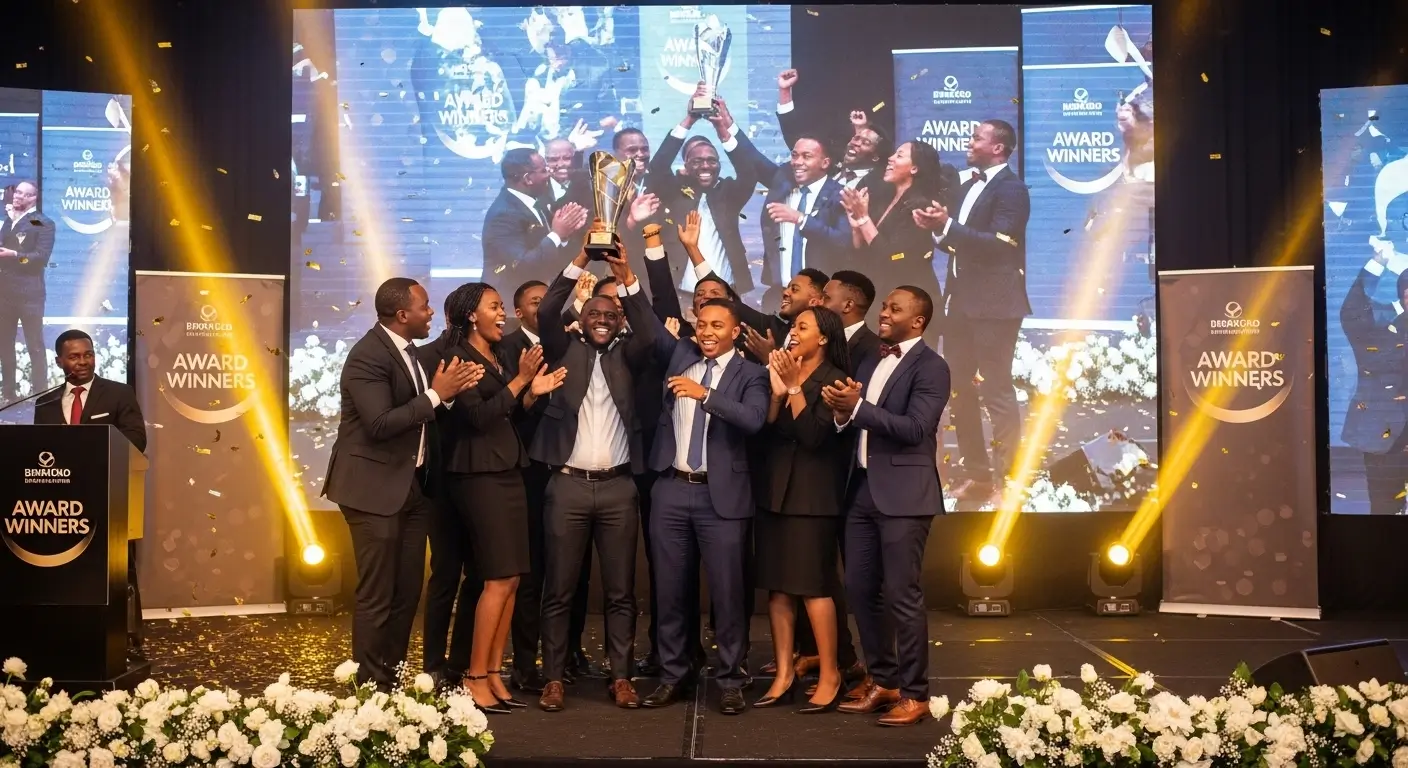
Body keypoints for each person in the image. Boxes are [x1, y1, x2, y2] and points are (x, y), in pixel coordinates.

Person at [322, 278, 483, 691]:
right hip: (371, 490)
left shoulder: (407, 352)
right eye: (425, 306)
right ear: (402, 315)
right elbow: (379, 423)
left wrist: (445, 395)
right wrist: (435, 395)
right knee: (378, 594)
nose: (432, 313)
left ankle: (389, 683)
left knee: (407, 593)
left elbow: (416, 412)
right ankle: (368, 690)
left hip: (411, 488)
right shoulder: (368, 356)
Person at [533, 225, 658, 711]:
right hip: (565, 488)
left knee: (622, 592)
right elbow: (547, 308)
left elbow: (649, 328)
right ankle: (555, 679)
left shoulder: (633, 352)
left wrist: (626, 276)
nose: (603, 319)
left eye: (611, 314)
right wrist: (582, 257)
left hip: (619, 490)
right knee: (559, 590)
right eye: (594, 313)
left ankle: (621, 677)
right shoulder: (565, 348)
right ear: (581, 320)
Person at [434, 282, 567, 713]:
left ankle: (493, 671)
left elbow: (506, 413)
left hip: (508, 471)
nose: (502, 314)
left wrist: (530, 393)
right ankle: (473, 676)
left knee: (511, 578)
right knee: (495, 579)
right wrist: (521, 381)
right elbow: (476, 417)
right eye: (494, 306)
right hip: (478, 475)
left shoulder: (495, 356)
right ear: (472, 314)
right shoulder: (459, 358)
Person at [823, 286, 950, 727]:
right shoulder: (872, 358)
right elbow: (856, 422)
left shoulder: (933, 367)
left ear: (917, 321)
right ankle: (885, 680)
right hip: (861, 490)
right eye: (885, 305)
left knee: (902, 594)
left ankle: (916, 694)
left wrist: (856, 408)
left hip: (905, 494)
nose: (884, 312)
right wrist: (842, 413)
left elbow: (916, 428)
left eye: (895, 308)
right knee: (859, 588)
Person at [641, 298, 770, 715]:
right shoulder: (680, 362)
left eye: (718, 325)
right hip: (673, 490)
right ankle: (674, 675)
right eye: (701, 324)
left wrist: (705, 394)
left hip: (724, 496)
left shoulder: (752, 373)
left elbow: (754, 420)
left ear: (736, 332)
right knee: (671, 591)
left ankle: (731, 678)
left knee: (729, 593)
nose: (707, 331)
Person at [914, 119, 1031, 507]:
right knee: (960, 389)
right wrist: (936, 229)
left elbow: (998, 246)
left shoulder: (1012, 190)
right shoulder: (965, 185)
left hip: (995, 307)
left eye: (978, 136)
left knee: (995, 388)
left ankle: (1010, 478)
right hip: (960, 305)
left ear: (998, 148)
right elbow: (957, 244)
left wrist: (946, 225)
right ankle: (978, 475)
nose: (970, 140)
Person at [754, 307, 851, 713]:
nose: (794, 332)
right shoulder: (784, 369)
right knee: (778, 590)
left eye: (802, 327)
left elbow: (813, 437)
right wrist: (777, 394)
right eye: (794, 326)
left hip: (813, 498)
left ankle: (830, 673)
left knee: (813, 588)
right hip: (775, 492)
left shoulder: (836, 381)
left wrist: (794, 388)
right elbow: (768, 430)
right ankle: (783, 673)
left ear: (824, 338)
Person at [34, 329, 147, 660]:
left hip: (108, 500)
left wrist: (91, 451)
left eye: (88, 354)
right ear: (59, 361)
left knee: (119, 570)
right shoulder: (47, 401)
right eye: (74, 356)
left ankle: (129, 638)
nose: (82, 361)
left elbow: (137, 439)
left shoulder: (117, 394)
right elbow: (40, 449)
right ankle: (66, 633)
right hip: (61, 505)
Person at [839, 141, 958, 344]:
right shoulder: (885, 197)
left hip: (910, 307)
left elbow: (893, 258)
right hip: (881, 300)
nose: (890, 158)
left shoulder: (922, 206)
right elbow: (863, 253)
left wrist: (864, 219)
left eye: (900, 155)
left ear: (914, 168)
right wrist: (856, 226)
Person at [646, 87, 758, 296]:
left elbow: (749, 173)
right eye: (697, 161)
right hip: (685, 295)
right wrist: (689, 119)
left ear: (719, 165)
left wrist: (722, 130)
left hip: (727, 293)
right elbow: (658, 167)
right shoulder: (675, 193)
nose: (705, 166)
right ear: (686, 166)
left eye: (711, 160)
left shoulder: (729, 193)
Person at [729, 125, 851, 295]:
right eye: (794, 155)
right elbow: (754, 159)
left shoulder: (840, 195)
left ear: (825, 163)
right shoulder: (781, 185)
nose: (797, 162)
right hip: (780, 293)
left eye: (806, 156)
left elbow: (843, 241)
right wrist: (726, 126)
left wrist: (801, 220)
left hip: (821, 294)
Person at [1339, 246, 1408, 514]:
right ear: (1403, 297)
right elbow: (1352, 311)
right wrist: (1377, 262)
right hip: (1384, 437)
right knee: (1385, 511)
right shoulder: (1379, 328)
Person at [482, 148, 589, 289]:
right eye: (544, 170)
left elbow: (545, 253)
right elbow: (523, 266)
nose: (549, 174)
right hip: (510, 303)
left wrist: (564, 235)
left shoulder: (536, 203)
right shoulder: (503, 215)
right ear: (527, 178)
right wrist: (557, 234)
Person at [776, 69, 890, 195]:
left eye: (866, 142)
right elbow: (796, 140)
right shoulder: (832, 170)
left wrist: (798, 216)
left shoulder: (877, 185)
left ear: (875, 156)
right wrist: (784, 91)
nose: (856, 143)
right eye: (856, 138)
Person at [0, 181, 56, 403]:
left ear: (34, 198)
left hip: (30, 295)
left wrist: (15, 255)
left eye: (24, 194)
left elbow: (39, 258)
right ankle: (8, 394)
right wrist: (11, 221)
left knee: (34, 344)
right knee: (4, 343)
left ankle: (40, 393)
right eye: (16, 192)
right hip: (5, 294)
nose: (17, 197)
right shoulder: (10, 220)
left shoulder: (42, 222)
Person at [823, 270, 881, 373]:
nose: (817, 303)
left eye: (826, 298)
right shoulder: (819, 339)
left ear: (848, 305)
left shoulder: (874, 349)